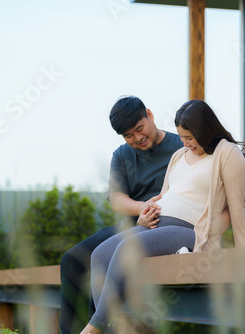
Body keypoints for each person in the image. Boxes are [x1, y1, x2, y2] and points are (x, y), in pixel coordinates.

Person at [80, 99, 245, 334]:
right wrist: (143, 217)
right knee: (100, 254)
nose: (185, 143)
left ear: (205, 130)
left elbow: (237, 207)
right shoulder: (179, 156)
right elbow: (165, 196)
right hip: (154, 226)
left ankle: (93, 328)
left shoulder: (227, 153)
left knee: (126, 250)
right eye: (182, 138)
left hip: (189, 231)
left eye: (190, 137)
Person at [59, 96, 183, 334]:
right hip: (129, 226)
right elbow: (117, 199)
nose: (137, 138)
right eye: (128, 135)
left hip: (166, 227)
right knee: (72, 260)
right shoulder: (121, 155)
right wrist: (141, 209)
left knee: (106, 258)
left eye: (139, 128)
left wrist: (155, 213)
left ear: (149, 114)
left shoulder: (180, 147)